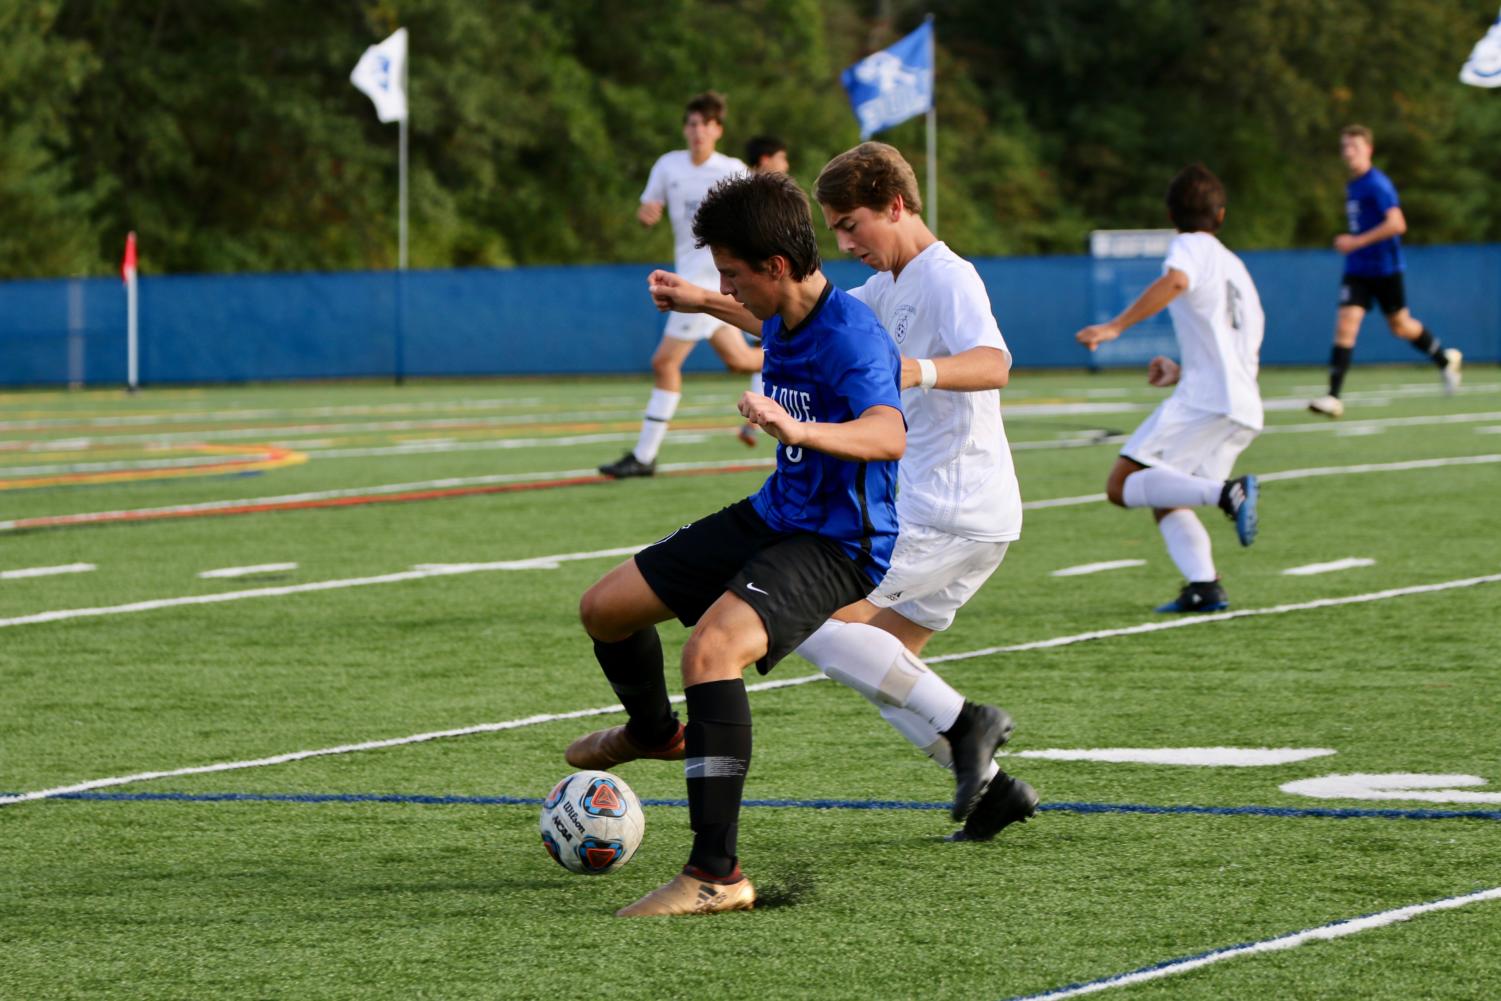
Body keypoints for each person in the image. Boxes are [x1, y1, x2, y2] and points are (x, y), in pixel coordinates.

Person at [649, 141, 1036, 843]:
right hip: (961, 511)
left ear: (896, 203)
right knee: (881, 668)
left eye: (852, 224)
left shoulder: (945, 276)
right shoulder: (884, 287)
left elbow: (994, 363)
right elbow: (796, 317)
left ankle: (968, 721)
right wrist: (705, 297)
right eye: (835, 229)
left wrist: (912, 370)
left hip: (942, 503)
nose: (845, 242)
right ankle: (992, 789)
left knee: (812, 623)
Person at [567, 171, 906, 917]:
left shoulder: (850, 337)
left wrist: (798, 429)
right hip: (773, 512)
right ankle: (656, 733)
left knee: (710, 652)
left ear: (775, 267)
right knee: (605, 609)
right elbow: (765, 319)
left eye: (731, 275)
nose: (727, 287)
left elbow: (888, 432)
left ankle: (715, 873)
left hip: (836, 541)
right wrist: (701, 300)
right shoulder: (784, 305)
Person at [1075, 163, 1263, 614]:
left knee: (1123, 485)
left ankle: (1227, 494)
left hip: (1207, 400)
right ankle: (1205, 586)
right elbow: (1241, 342)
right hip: (1241, 401)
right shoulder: (1235, 267)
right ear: (1220, 215)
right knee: (1167, 491)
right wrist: (1184, 369)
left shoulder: (1189, 246)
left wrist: (1116, 326)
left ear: (1172, 214)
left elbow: (1177, 280)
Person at [598, 91, 759, 479]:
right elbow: (647, 208)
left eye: (705, 124)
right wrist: (646, 213)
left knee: (664, 362)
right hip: (690, 272)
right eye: (691, 123)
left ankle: (644, 456)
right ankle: (806, 353)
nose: (697, 131)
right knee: (739, 361)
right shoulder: (668, 166)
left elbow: (759, 216)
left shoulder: (732, 169)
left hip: (708, 280)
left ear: (718, 129)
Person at [1308, 125, 1461, 418]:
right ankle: (1333, 395)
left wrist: (1356, 241)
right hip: (1357, 270)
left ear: (1369, 150)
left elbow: (1397, 224)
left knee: (1400, 326)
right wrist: (1355, 246)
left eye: (1354, 146)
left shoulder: (1377, 184)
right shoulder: (1352, 185)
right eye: (1344, 147)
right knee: (1346, 324)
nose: (1348, 152)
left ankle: (1444, 359)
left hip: (1385, 268)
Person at [734, 135, 792, 447]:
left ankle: (757, 420)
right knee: (754, 354)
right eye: (782, 157)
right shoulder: (753, 196)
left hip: (751, 282)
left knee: (768, 348)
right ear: (767, 159)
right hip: (757, 283)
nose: (787, 165)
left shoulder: (750, 193)